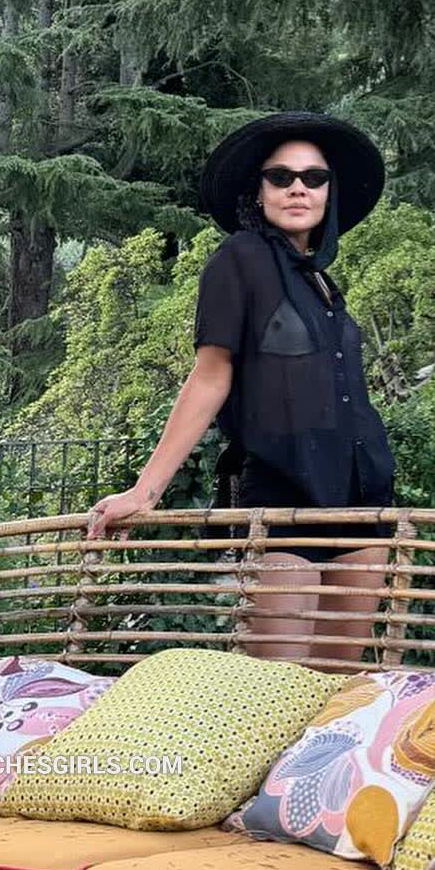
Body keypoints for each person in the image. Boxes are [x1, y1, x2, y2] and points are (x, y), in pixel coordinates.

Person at [82, 110, 395, 664]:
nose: (298, 188)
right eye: (280, 176)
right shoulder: (239, 259)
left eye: (314, 177)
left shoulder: (321, 280)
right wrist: (146, 491)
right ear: (259, 189)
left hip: (363, 493)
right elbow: (210, 376)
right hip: (282, 492)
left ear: (330, 191)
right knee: (274, 682)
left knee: (340, 679)